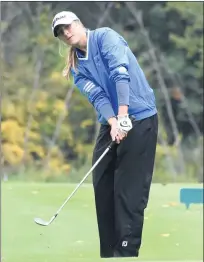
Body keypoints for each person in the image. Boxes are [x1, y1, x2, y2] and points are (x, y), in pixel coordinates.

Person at [52, 11, 158, 258]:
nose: (66, 33)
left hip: (140, 117)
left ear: (78, 23)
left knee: (128, 189)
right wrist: (113, 121)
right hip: (111, 121)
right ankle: (110, 250)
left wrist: (122, 116)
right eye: (60, 32)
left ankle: (126, 250)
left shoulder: (105, 38)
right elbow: (97, 96)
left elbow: (121, 74)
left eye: (68, 26)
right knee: (102, 182)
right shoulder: (76, 66)